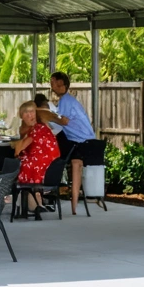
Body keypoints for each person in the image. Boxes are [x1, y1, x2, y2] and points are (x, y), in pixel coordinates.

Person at [51, 71, 95, 216]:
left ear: (61, 84)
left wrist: (47, 116)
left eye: (53, 83)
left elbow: (63, 121)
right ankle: (73, 206)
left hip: (79, 143)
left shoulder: (66, 100)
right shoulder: (68, 100)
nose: (52, 87)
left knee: (50, 149)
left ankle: (48, 183)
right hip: (84, 142)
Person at [14, 100, 61, 219]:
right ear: (21, 116)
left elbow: (18, 151)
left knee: (19, 167)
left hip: (43, 170)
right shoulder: (43, 127)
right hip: (53, 170)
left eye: (31, 111)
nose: (29, 115)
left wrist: (19, 135)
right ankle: (36, 202)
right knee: (24, 165)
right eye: (25, 113)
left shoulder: (36, 129)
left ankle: (32, 204)